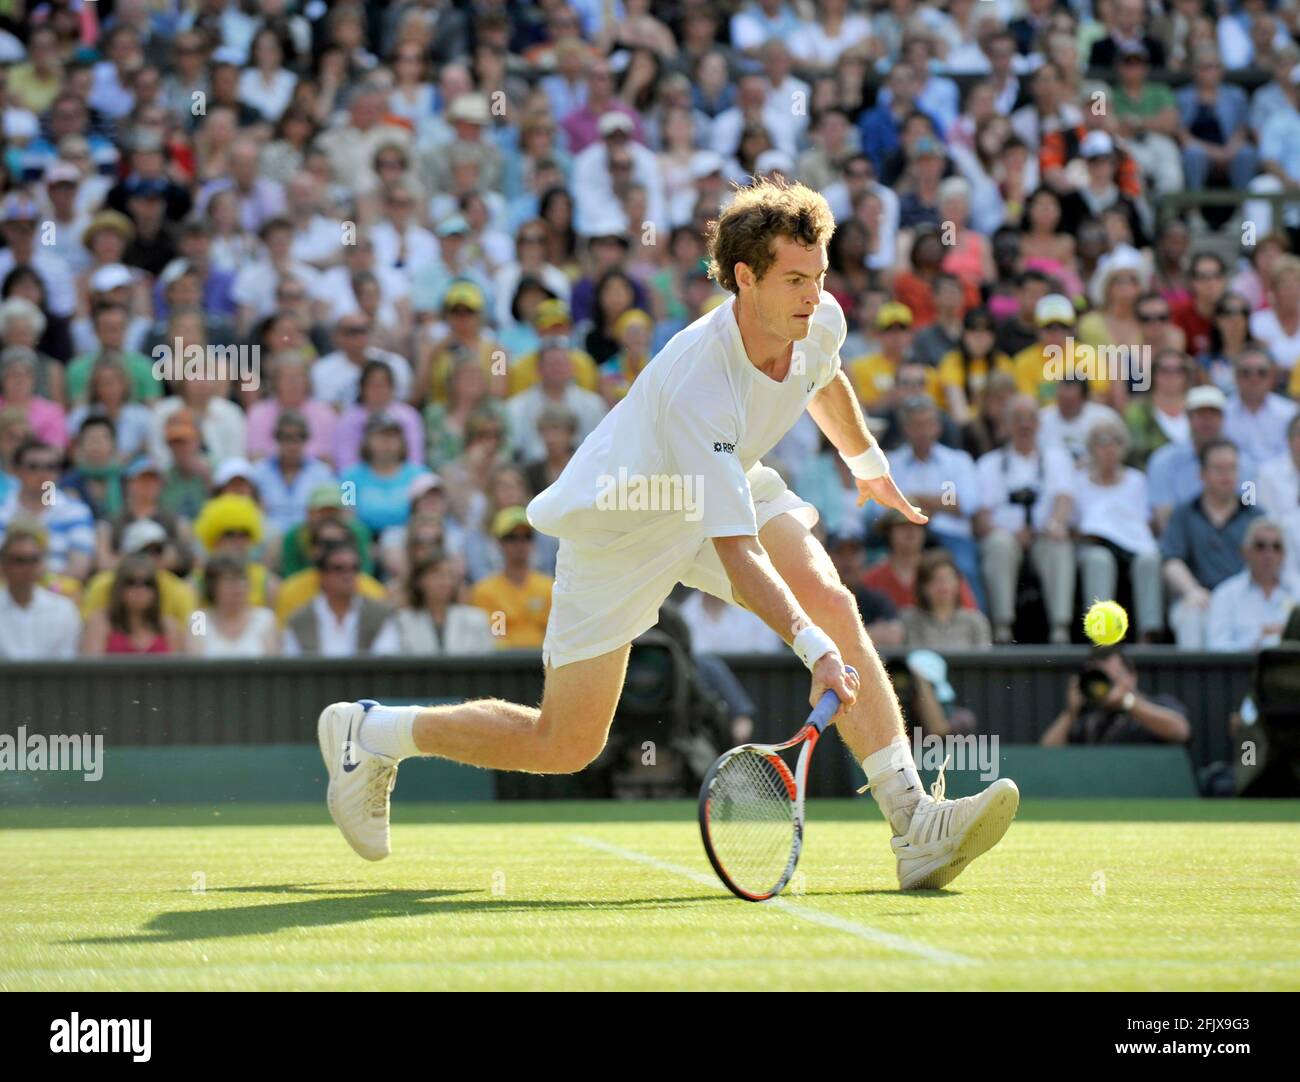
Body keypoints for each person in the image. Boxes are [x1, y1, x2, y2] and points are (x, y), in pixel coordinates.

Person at [316, 179, 1019, 890]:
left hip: (723, 479)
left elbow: (823, 378)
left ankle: (914, 824)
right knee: (563, 744)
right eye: (796, 279)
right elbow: (737, 554)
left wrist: (867, 464)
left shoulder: (819, 319)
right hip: (623, 526)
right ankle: (372, 732)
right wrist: (810, 651)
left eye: (821, 275)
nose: (814, 294)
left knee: (831, 599)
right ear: (745, 278)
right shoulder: (698, 384)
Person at [976, 395, 1076, 644]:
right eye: (1017, 419)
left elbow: (1064, 500)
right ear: (1006, 424)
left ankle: (1060, 629)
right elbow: (981, 518)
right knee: (998, 544)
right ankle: (1002, 626)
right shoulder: (989, 464)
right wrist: (1006, 533)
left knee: (1059, 543)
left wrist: (1054, 524)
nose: (1025, 425)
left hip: (1044, 535)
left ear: (1039, 423)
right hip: (1007, 537)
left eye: (1030, 418)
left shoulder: (1057, 459)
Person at [1061, 418, 1163, 641]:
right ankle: (1101, 635)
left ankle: (1149, 634)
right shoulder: (1078, 482)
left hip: (1133, 548)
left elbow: (1145, 524)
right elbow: (1072, 526)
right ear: (1091, 448)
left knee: (1150, 560)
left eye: (1115, 441)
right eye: (1102, 441)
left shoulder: (1137, 481)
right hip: (1092, 547)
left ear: (1123, 446)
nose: (1109, 448)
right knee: (1099, 560)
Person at [1161, 440, 1262, 649]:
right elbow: (1171, 560)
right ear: (1202, 474)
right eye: (1218, 469)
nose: (1226, 475)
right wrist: (1191, 590)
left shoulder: (1255, 516)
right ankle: (1190, 681)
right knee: (1190, 616)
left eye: (1232, 468)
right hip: (1201, 598)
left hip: (1243, 599)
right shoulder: (1184, 513)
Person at [1040, 647, 1192, 746]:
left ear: (1132, 676)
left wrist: (1128, 703)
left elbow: (1180, 731)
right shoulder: (1090, 720)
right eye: (1100, 679)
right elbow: (1047, 752)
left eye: (1112, 678)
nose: (1105, 686)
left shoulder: (1158, 703)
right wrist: (1071, 712)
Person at [282, 539, 401, 657]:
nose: (348, 575)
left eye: (354, 568)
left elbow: (385, 663)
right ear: (322, 575)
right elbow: (293, 667)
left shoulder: (381, 615)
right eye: (338, 568)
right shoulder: (299, 619)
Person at [1205, 519, 1298, 652]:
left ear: (1284, 555)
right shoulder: (1226, 594)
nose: (1269, 554)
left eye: (1276, 547)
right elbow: (1215, 646)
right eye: (1261, 546)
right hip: (1243, 670)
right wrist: (1255, 642)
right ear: (1245, 552)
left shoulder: (1297, 590)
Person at [0, 519, 81, 659]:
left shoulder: (64, 609)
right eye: (19, 560)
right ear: (4, 564)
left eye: (34, 559)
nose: (27, 568)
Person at [81, 552, 183, 656]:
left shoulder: (169, 626)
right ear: (119, 588)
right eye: (131, 582)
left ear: (156, 590)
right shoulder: (100, 622)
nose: (140, 589)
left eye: (148, 583)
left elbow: (178, 670)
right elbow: (91, 670)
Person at [395, 552, 494, 656]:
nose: (444, 581)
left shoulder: (477, 619)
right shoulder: (401, 621)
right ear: (419, 580)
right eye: (436, 574)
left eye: (449, 575)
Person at [186, 553, 280, 658]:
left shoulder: (265, 618)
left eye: (243, 579)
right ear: (212, 586)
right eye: (230, 580)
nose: (238, 586)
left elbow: (272, 667)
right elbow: (195, 664)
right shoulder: (198, 620)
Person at [902, 549, 993, 650]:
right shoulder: (908, 620)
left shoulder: (976, 621)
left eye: (947, 578)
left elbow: (984, 662)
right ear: (922, 586)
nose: (942, 585)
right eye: (934, 579)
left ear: (958, 582)